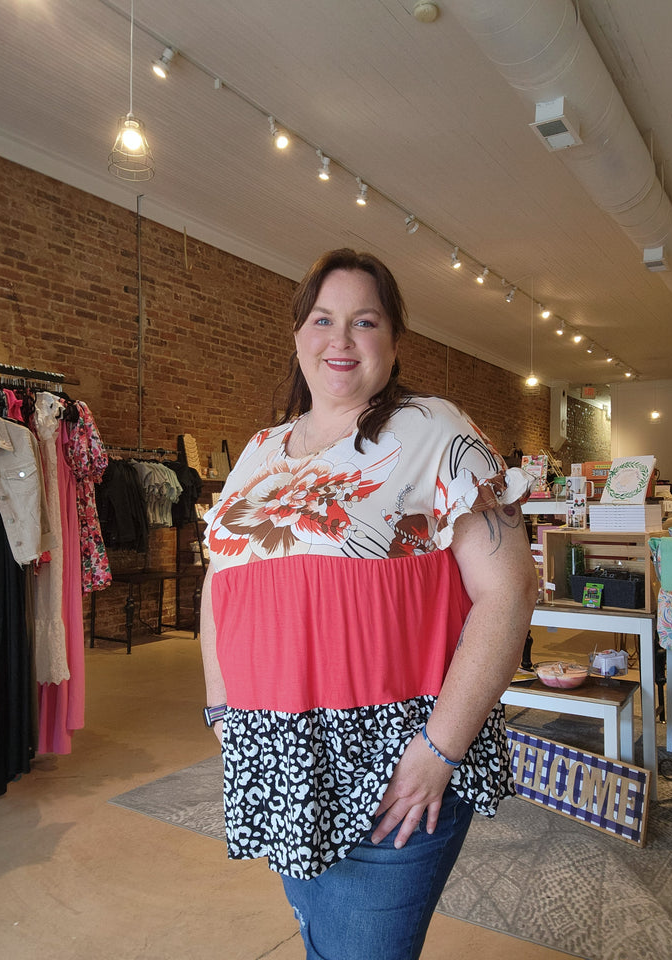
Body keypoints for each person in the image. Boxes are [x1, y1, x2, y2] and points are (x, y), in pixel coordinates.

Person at [200, 248, 538, 960]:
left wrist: (438, 752)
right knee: (325, 943)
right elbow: (220, 579)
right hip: (280, 759)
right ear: (298, 334)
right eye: (323, 319)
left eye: (365, 320)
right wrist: (224, 710)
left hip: (393, 761)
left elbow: (508, 591)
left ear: (392, 341)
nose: (340, 339)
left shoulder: (433, 430)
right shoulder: (260, 450)